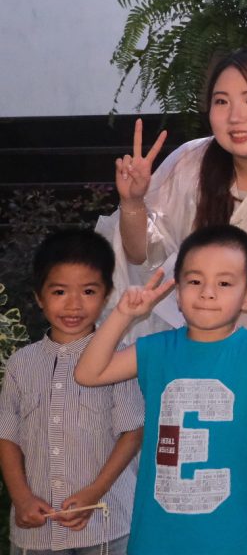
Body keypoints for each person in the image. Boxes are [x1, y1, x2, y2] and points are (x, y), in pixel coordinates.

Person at [95, 45, 247, 554]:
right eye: (222, 101)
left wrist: (237, 354)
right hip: (178, 349)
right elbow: (143, 256)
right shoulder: (190, 162)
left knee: (246, 495)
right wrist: (133, 202)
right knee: (169, 484)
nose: (235, 116)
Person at [75, 225, 247, 555]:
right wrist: (123, 315)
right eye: (195, 281)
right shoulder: (157, 348)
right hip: (157, 534)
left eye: (224, 283)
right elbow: (88, 373)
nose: (207, 293)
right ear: (178, 292)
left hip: (230, 535)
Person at [0, 231, 142, 555]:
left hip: (106, 528)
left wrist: (95, 492)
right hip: (36, 534)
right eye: (60, 291)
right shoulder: (21, 364)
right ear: (39, 297)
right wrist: (21, 498)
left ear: (106, 296)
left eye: (89, 291)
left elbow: (132, 433)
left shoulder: (118, 359)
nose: (74, 304)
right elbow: (7, 437)